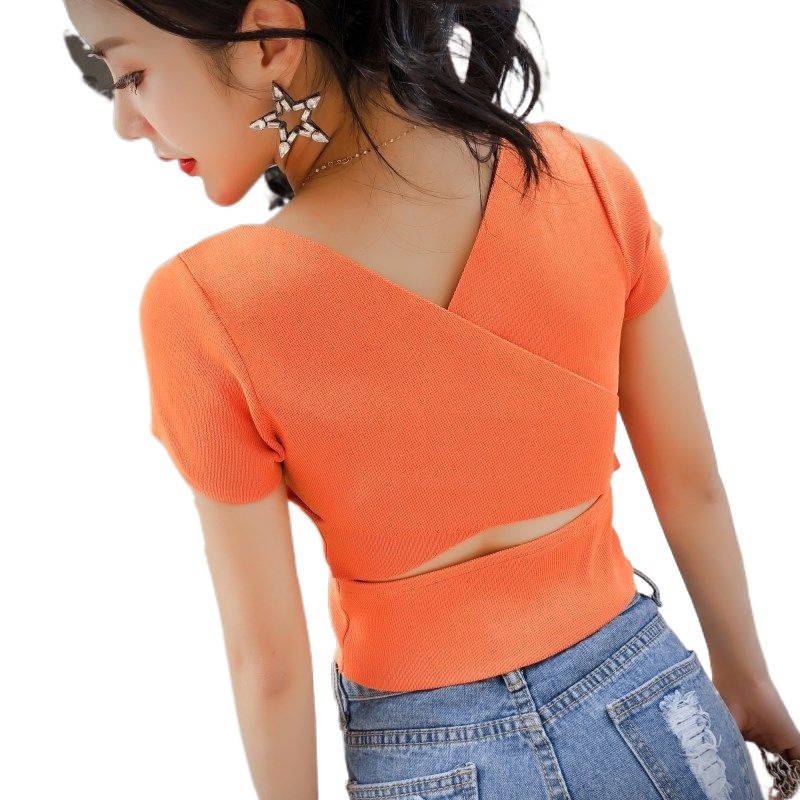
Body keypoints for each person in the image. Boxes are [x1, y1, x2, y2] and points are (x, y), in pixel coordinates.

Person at [63, 0, 799, 798]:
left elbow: (268, 663)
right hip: (659, 712)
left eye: (131, 74)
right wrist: (747, 680)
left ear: (270, 39)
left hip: (429, 760)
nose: (125, 122)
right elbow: (691, 483)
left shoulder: (207, 307)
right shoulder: (585, 179)